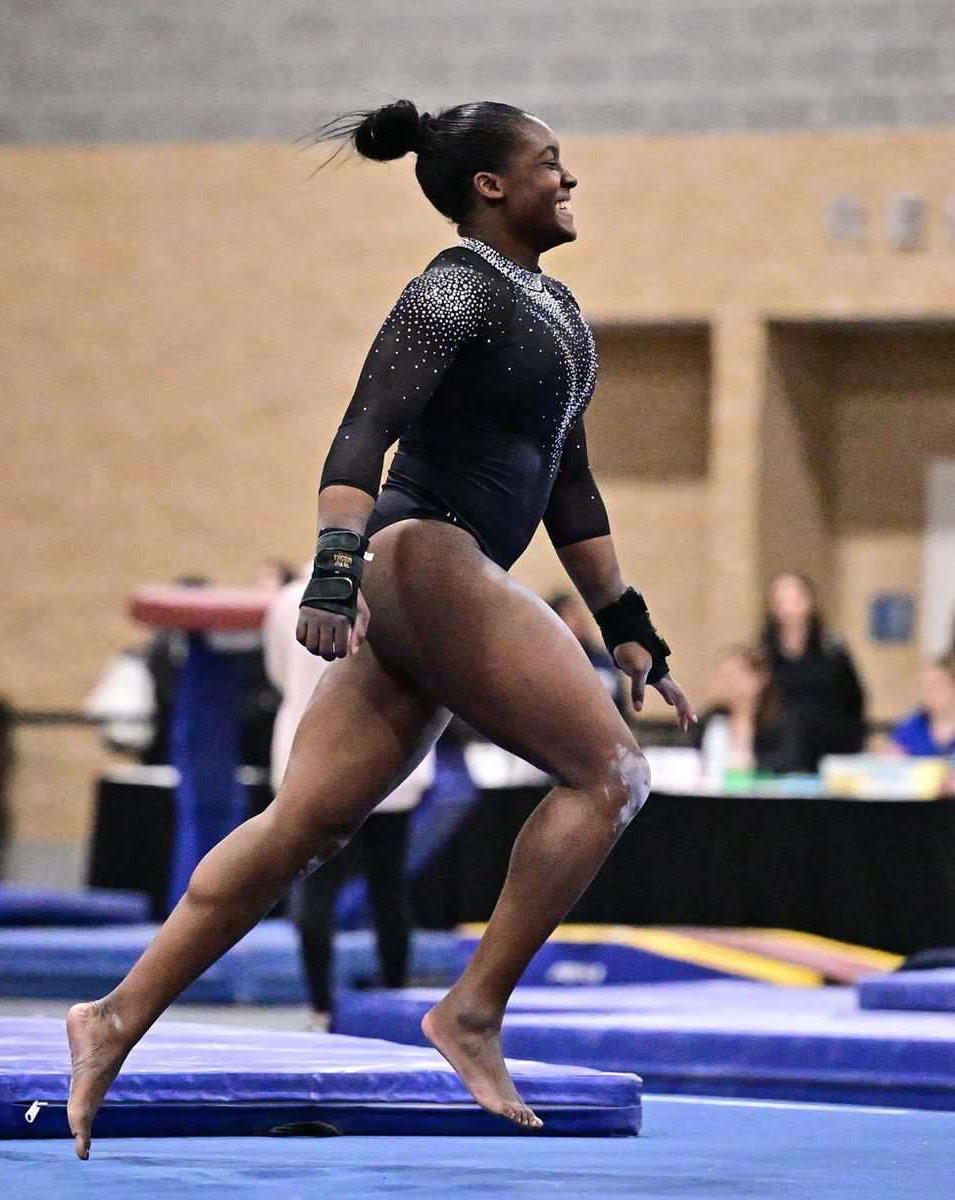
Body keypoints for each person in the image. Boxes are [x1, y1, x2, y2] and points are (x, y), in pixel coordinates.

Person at [66, 98, 695, 1156]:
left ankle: (113, 1016)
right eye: (551, 164)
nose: (569, 179)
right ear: (490, 187)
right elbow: (365, 429)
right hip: (426, 554)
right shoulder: (451, 290)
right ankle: (471, 1012)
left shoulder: (559, 312)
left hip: (442, 572)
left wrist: (626, 623)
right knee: (610, 776)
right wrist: (332, 572)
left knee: (301, 829)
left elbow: (568, 487)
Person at [263, 575, 434, 1023]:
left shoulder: (289, 598)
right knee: (387, 886)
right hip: (384, 759)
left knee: (319, 884)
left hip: (318, 761)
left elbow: (278, 673)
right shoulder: (401, 596)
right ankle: (393, 997)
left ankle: (322, 1003)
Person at [761, 571, 865, 771]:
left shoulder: (832, 652)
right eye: (780, 601)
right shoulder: (764, 654)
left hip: (828, 749)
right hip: (778, 751)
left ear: (808, 602)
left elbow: (853, 700)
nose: (787, 608)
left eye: (793, 599)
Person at [692, 644, 807, 782]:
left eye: (737, 676)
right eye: (725, 676)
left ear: (759, 678)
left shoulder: (780, 719)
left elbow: (788, 762)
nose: (730, 684)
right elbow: (693, 759)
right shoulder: (710, 719)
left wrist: (752, 765)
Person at [549, 590, 628, 714]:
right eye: (570, 616)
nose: (578, 621)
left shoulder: (599, 658)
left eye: (577, 615)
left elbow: (618, 696)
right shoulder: (550, 661)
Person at [889, 656, 955, 758]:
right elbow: (893, 751)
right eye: (926, 687)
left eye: (936, 686)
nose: (929, 693)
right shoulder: (913, 725)